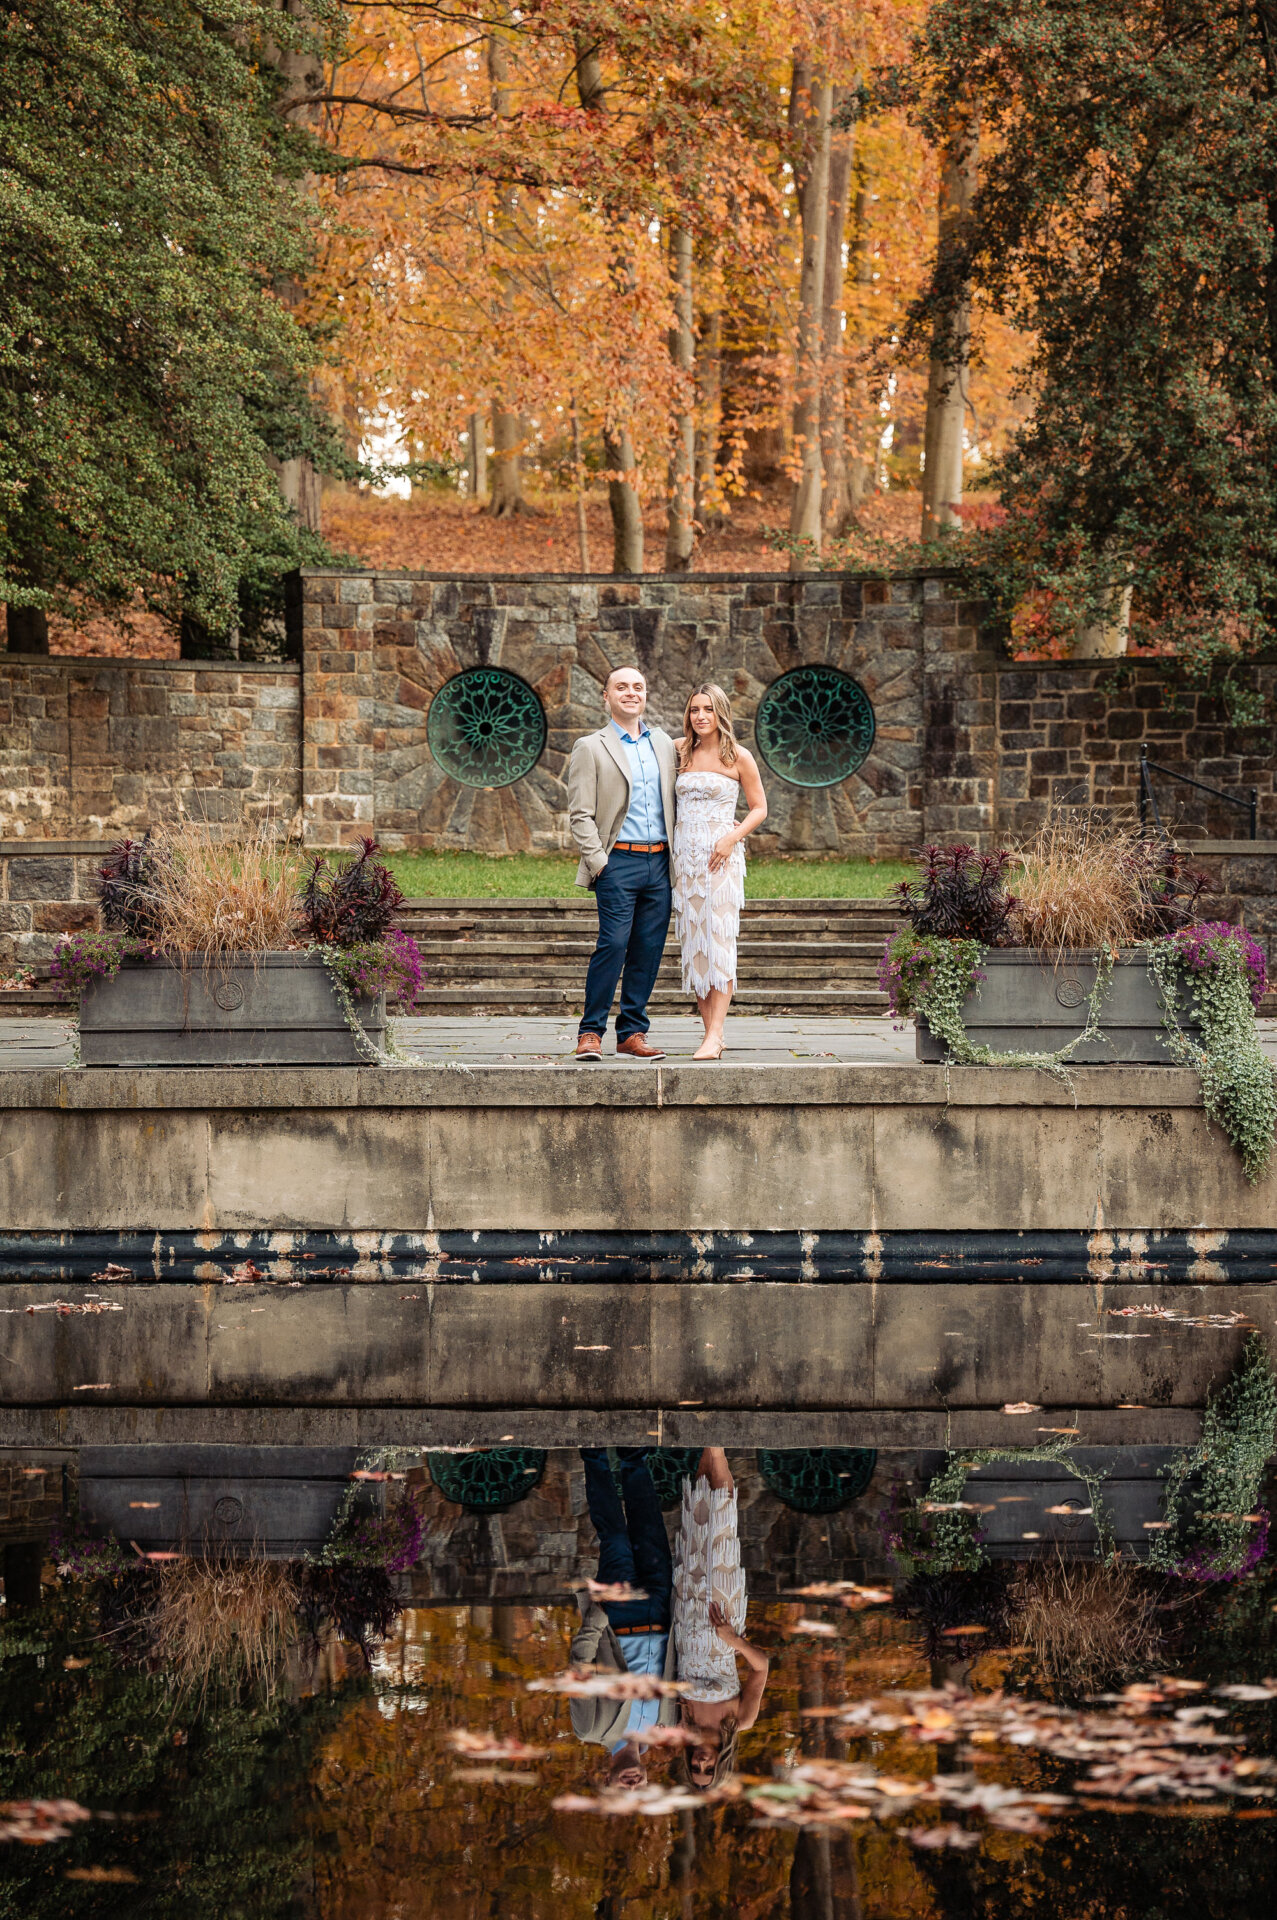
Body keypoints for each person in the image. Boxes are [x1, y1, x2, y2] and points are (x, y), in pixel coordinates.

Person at [567, 666, 679, 1061]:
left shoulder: (664, 744)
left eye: (638, 687)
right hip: (618, 863)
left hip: (661, 864)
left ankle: (632, 1033)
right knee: (613, 945)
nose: (631, 693)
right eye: (622, 687)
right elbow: (580, 814)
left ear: (645, 695)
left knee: (648, 950)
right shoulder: (590, 746)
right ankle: (590, 1032)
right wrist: (600, 863)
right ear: (607, 696)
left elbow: (704, 768)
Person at [568, 1447, 680, 1786]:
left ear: (607, 1779)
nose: (632, 1785)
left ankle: (593, 1453)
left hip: (617, 1618)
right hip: (660, 1611)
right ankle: (633, 1456)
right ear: (647, 1780)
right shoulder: (667, 1725)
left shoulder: (589, 1729)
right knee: (650, 1530)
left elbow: (579, 1670)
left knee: (615, 1538)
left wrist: (594, 1622)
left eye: (622, 1791)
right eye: (639, 1791)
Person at [672, 684, 768, 1059]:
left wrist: (732, 838)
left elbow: (759, 808)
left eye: (708, 709)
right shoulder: (680, 751)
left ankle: (716, 1033)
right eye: (695, 709)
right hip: (686, 861)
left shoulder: (738, 756)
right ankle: (708, 1031)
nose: (700, 716)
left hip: (720, 859)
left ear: (720, 713)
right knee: (695, 944)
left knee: (719, 941)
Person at [671, 1446, 769, 1791]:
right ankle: (717, 1445)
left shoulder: (681, 1724)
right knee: (721, 1530)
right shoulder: (742, 1722)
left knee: (695, 1527)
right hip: (722, 1622)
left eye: (695, 1768)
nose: (700, 1763)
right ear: (720, 1764)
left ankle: (704, 1443)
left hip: (686, 1617)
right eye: (708, 1770)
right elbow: (761, 1667)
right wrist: (734, 1641)